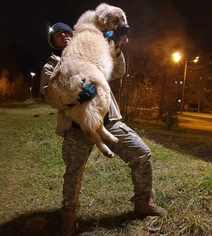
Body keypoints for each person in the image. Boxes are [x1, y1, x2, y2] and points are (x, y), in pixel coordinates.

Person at [41, 22, 167, 236]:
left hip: (109, 122)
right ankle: (69, 218)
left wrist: (115, 47)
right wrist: (75, 98)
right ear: (53, 43)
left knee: (142, 154)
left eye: (66, 32)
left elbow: (118, 70)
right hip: (77, 128)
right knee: (74, 172)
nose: (64, 36)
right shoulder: (50, 66)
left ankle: (143, 202)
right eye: (57, 35)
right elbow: (49, 95)